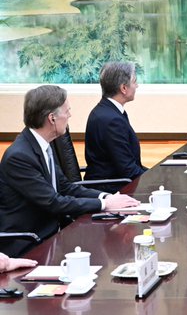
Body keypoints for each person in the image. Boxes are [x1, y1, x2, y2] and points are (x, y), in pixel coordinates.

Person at [0, 85, 140, 257]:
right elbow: (54, 202)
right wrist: (105, 205)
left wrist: (106, 197)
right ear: (52, 118)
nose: (70, 115)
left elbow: (66, 187)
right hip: (31, 243)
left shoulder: (41, 144)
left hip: (53, 234)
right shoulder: (20, 156)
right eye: (67, 111)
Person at [84, 61, 148, 191]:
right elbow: (128, 169)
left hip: (117, 182)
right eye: (134, 81)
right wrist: (157, 180)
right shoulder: (111, 120)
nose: (137, 86)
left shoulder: (110, 111)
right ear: (123, 88)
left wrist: (157, 173)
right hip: (112, 189)